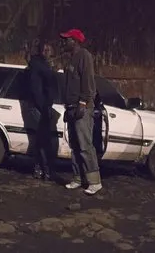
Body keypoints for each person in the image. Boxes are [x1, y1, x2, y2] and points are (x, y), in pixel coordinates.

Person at [60, 28, 102, 195]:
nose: (64, 42)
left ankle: (94, 182)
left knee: (85, 146)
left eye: (67, 39)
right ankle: (78, 178)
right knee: (75, 145)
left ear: (75, 41)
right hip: (71, 107)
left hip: (82, 107)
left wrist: (83, 103)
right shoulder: (70, 58)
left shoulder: (84, 56)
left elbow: (88, 82)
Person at [27, 39, 59, 181]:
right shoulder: (37, 65)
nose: (47, 52)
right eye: (44, 50)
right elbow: (36, 89)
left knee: (42, 140)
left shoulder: (45, 65)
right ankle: (44, 170)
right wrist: (44, 107)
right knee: (43, 140)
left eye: (49, 50)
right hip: (39, 107)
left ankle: (41, 169)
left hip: (44, 106)